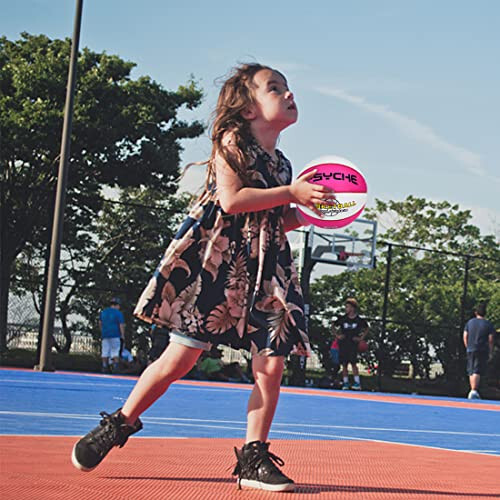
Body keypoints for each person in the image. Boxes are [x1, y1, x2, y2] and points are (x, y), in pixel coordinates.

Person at [71, 63, 334, 492]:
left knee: (271, 363)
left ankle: (253, 456)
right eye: (275, 88)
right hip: (217, 261)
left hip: (265, 267)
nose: (288, 94)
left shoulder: (283, 165)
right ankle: (120, 423)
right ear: (248, 109)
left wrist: (304, 211)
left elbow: (272, 220)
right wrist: (291, 194)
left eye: (288, 88)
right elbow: (232, 201)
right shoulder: (232, 142)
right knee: (181, 358)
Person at [332, 297, 369, 390]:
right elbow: (333, 325)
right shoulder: (343, 319)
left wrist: (361, 338)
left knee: (353, 363)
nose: (346, 309)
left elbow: (367, 328)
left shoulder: (358, 320)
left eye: (347, 307)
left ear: (352, 308)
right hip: (343, 343)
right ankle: (346, 383)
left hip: (353, 344)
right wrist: (337, 336)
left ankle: (357, 383)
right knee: (344, 364)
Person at [463, 303, 496, 400]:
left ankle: (472, 389)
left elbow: (465, 335)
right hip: (481, 349)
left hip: (470, 348)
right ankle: (473, 391)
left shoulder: (470, 322)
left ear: (476, 312)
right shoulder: (488, 324)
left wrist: (467, 346)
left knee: (471, 369)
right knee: (477, 369)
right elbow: (491, 339)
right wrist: (490, 351)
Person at [99, 297, 125, 373]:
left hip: (105, 334)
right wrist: (122, 335)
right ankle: (115, 366)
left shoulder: (103, 312)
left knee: (105, 351)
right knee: (115, 351)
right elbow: (121, 324)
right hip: (115, 334)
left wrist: (102, 331)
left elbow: (100, 323)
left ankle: (104, 366)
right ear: (117, 305)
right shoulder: (118, 313)